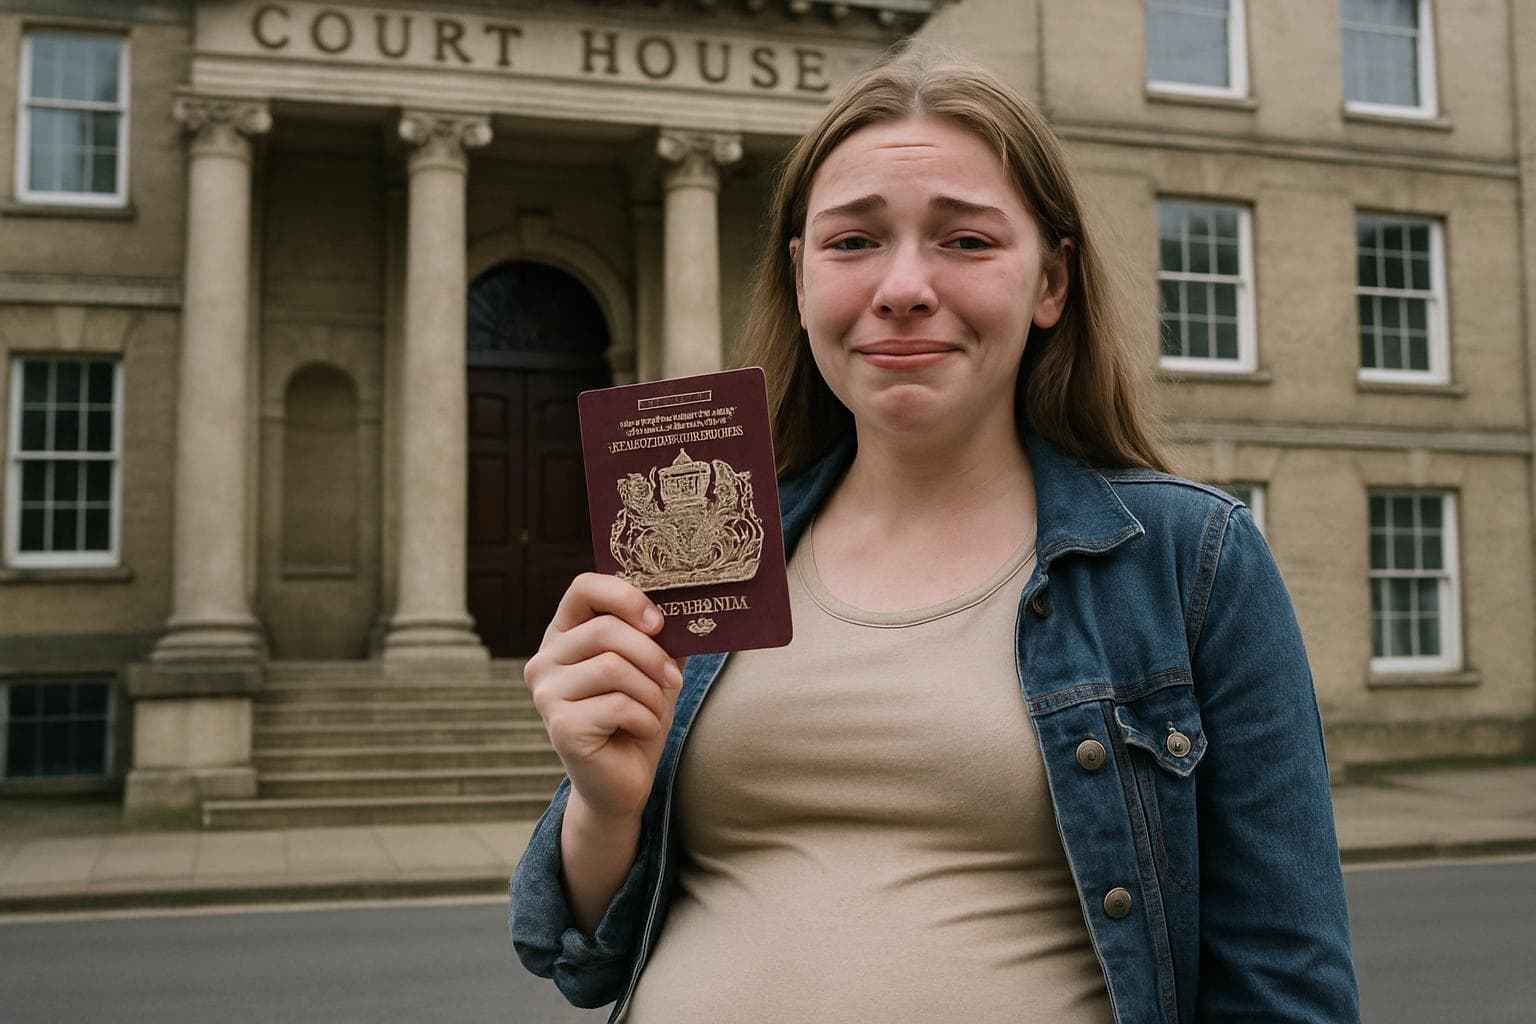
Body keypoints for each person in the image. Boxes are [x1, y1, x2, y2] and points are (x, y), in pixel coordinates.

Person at [511, 46, 1360, 1023]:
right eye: (853, 241)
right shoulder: (704, 534)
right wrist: (606, 803)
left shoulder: (1188, 558)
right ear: (799, 278)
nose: (904, 285)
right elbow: (574, 952)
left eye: (965, 241)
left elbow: (1286, 988)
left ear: (1051, 283)